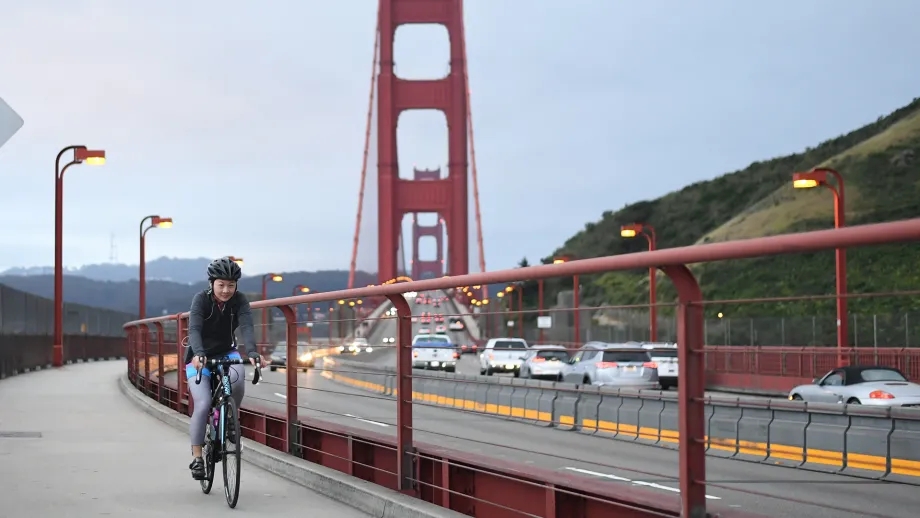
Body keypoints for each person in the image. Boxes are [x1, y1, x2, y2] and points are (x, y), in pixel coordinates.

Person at [184, 256, 263, 480]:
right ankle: (198, 457)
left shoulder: (239, 301)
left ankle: (228, 417)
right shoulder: (201, 300)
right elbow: (195, 330)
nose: (226, 290)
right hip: (199, 357)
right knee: (203, 403)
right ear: (212, 283)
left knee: (237, 380)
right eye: (221, 285)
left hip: (227, 352)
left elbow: (247, 326)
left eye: (231, 285)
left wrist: (253, 352)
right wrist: (199, 354)